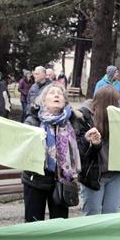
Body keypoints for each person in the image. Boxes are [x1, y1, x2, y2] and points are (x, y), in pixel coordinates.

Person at [22, 85, 82, 222]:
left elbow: (80, 151)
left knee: (59, 227)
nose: (56, 95)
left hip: (61, 181)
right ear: (43, 100)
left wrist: (92, 143)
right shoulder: (33, 121)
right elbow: (25, 151)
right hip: (35, 181)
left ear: (65, 101)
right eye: (52, 93)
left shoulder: (72, 121)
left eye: (60, 94)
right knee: (33, 226)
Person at [76, 86, 120, 216]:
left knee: (111, 215)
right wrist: (90, 142)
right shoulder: (84, 118)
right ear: (109, 103)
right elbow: (79, 149)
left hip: (116, 174)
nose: (119, 104)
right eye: (116, 101)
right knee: (92, 215)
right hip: (93, 174)